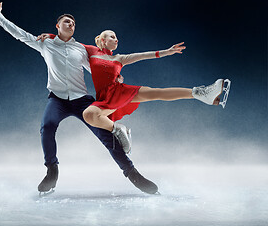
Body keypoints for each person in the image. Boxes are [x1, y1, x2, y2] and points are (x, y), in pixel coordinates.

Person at [0, 0, 159, 195]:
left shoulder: (81, 49)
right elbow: (19, 34)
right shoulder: (45, 43)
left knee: (105, 134)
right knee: (47, 126)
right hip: (57, 100)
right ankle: (52, 170)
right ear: (57, 25)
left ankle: (132, 172)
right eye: (67, 21)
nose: (71, 24)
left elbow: (100, 68)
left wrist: (117, 78)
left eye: (74, 23)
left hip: (81, 100)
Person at [41, 30, 229, 154]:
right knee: (89, 114)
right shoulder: (90, 51)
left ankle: (201, 93)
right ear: (101, 39)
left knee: (158, 93)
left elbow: (144, 55)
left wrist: (166, 51)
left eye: (116, 37)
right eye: (112, 36)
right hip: (105, 100)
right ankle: (119, 129)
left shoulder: (120, 58)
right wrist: (49, 35)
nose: (116, 39)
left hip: (121, 92)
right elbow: (67, 43)